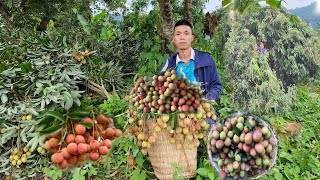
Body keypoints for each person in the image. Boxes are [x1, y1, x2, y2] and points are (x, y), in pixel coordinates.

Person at [160, 19, 222, 123]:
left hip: (203, 114)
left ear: (192, 38)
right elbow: (160, 91)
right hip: (178, 116)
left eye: (186, 33)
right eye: (178, 34)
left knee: (212, 129)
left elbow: (216, 85)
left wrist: (205, 101)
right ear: (173, 39)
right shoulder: (168, 64)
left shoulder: (206, 59)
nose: (182, 37)